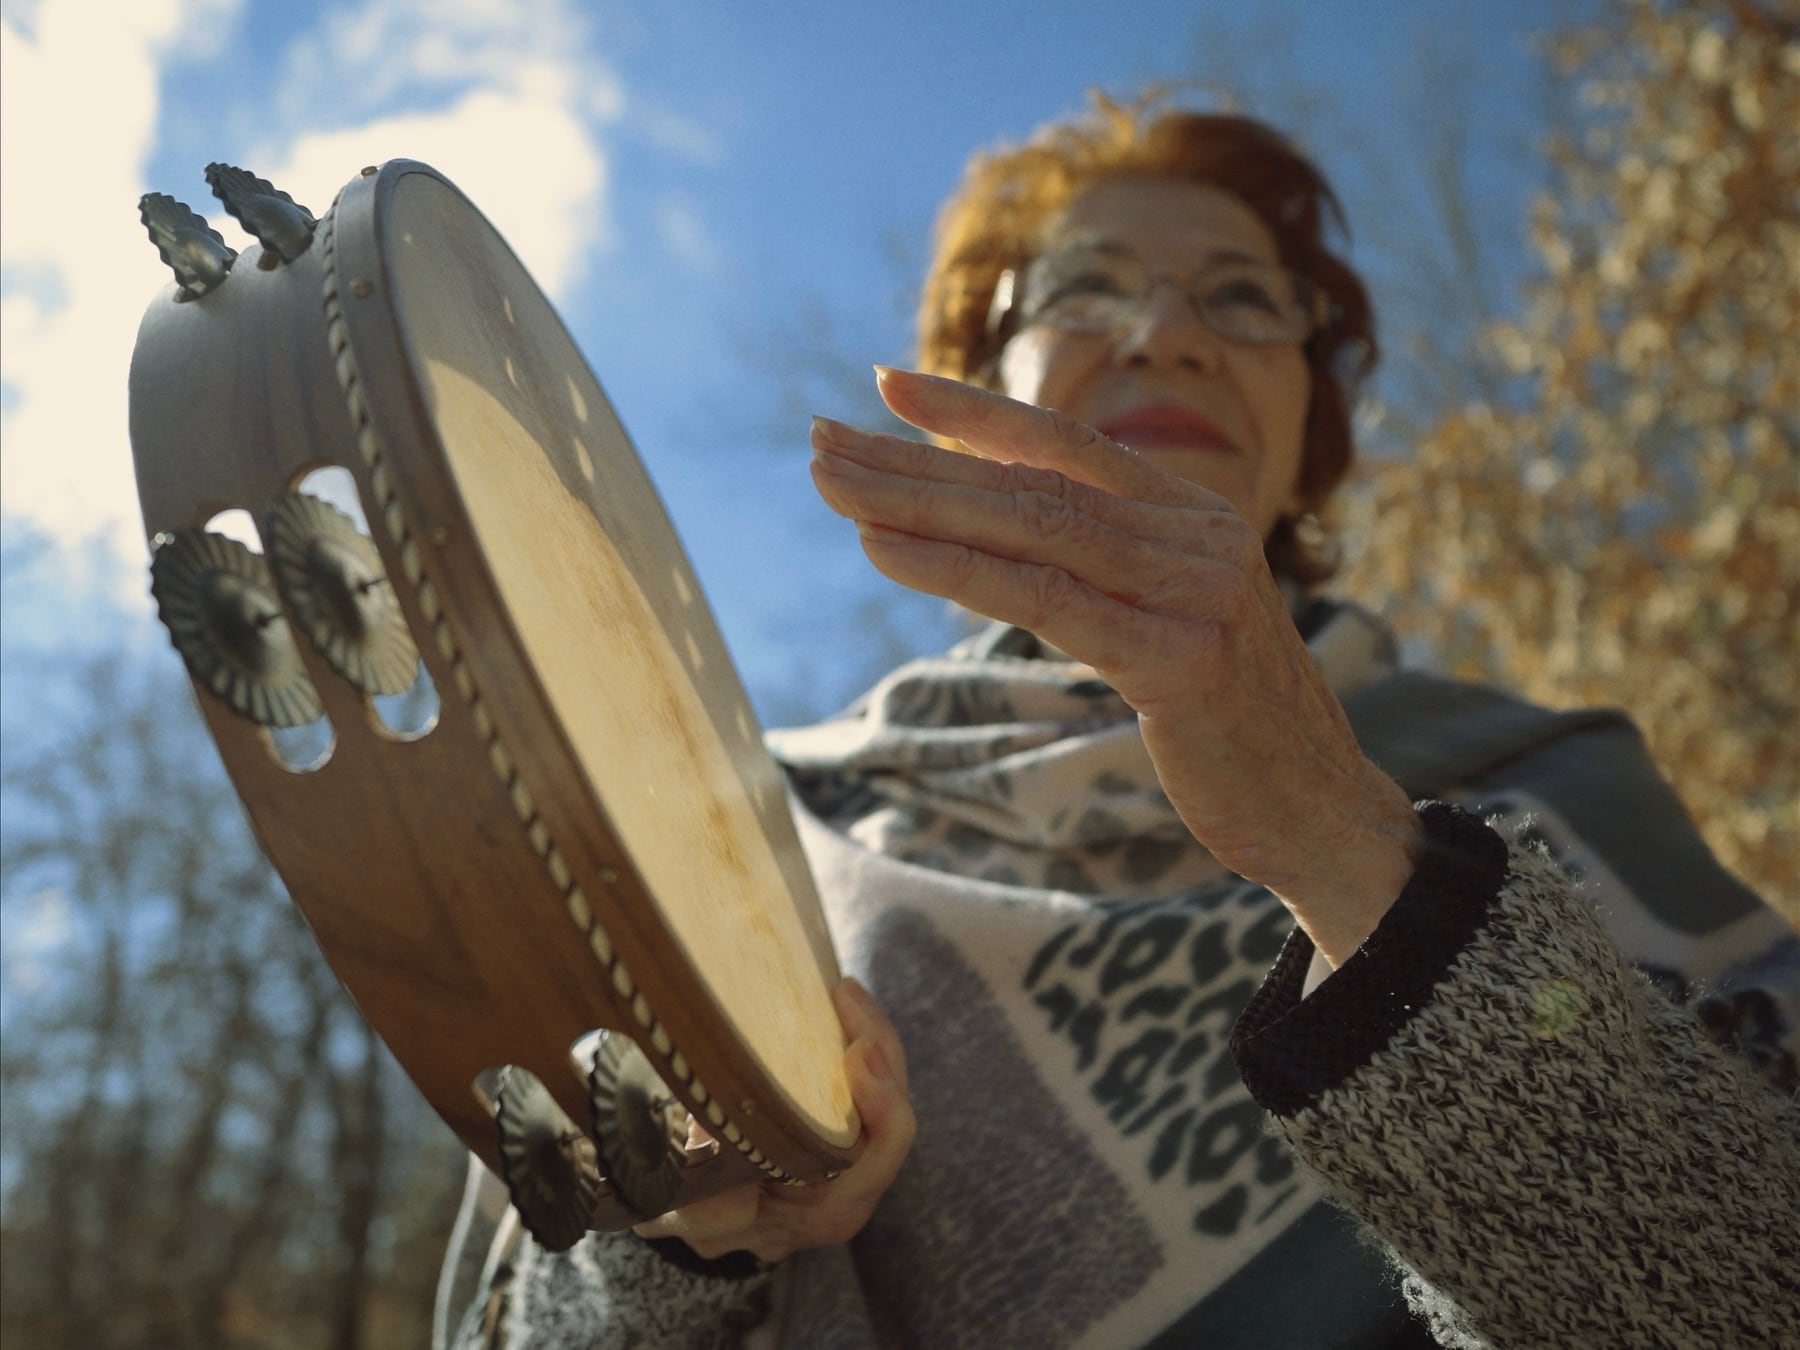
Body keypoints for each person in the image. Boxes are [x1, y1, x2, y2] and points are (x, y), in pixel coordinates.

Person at [442, 92, 1800, 1349]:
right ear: (980, 382)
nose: (1165, 332)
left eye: (1242, 299)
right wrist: (679, 1242)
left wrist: (1347, 845)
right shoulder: (747, 843)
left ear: (1306, 421)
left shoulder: (1553, 784)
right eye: (1087, 286)